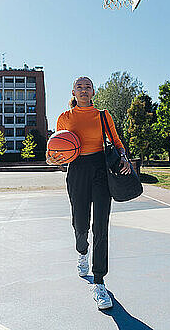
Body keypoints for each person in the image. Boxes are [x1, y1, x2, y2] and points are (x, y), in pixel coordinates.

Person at [46, 76, 131, 310]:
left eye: (88, 87)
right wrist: (52, 159)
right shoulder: (64, 118)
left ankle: (100, 281)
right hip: (77, 170)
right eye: (79, 87)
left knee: (101, 226)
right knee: (80, 223)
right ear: (73, 92)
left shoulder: (103, 115)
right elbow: (54, 150)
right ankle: (81, 251)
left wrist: (123, 157)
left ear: (93, 92)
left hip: (101, 169)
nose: (84, 90)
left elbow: (116, 141)